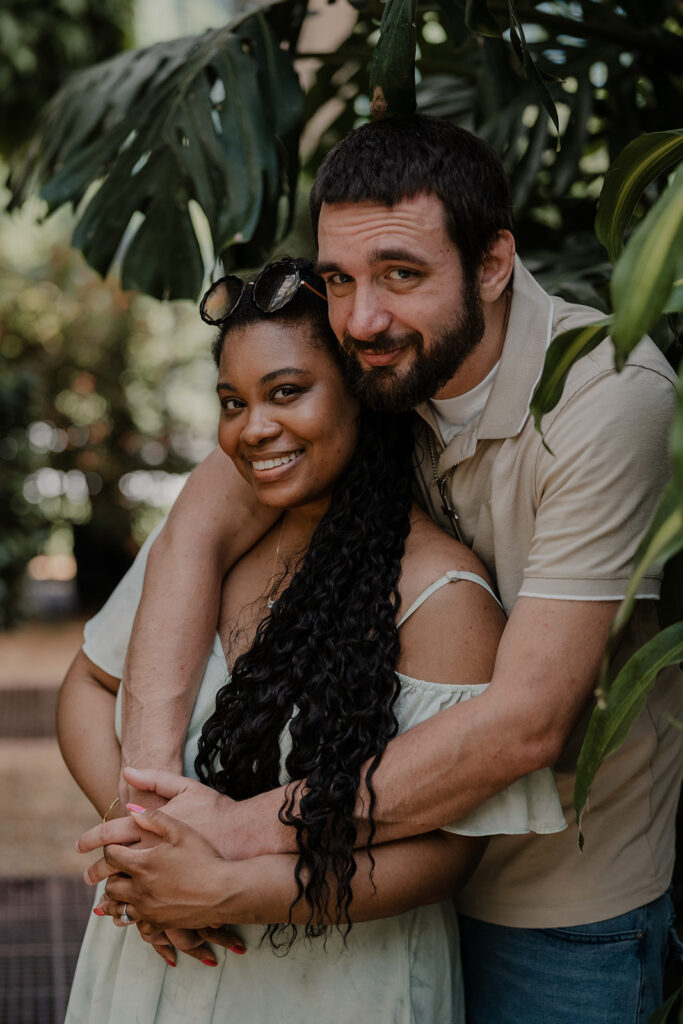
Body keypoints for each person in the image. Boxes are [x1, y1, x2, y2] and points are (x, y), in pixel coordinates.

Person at [79, 117, 682, 1023]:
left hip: (553, 903)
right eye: (338, 278)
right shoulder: (368, 353)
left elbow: (525, 726)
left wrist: (232, 835)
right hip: (348, 883)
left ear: (491, 264)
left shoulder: (606, 398)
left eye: (401, 272)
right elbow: (198, 528)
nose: (361, 314)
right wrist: (158, 813)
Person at [60, 258, 566, 1023]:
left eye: (286, 392)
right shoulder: (201, 550)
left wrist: (222, 884)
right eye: (233, 401)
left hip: (334, 988)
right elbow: (87, 687)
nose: (252, 428)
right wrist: (147, 849)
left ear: (364, 394)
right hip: (155, 963)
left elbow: (448, 856)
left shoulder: (443, 598)